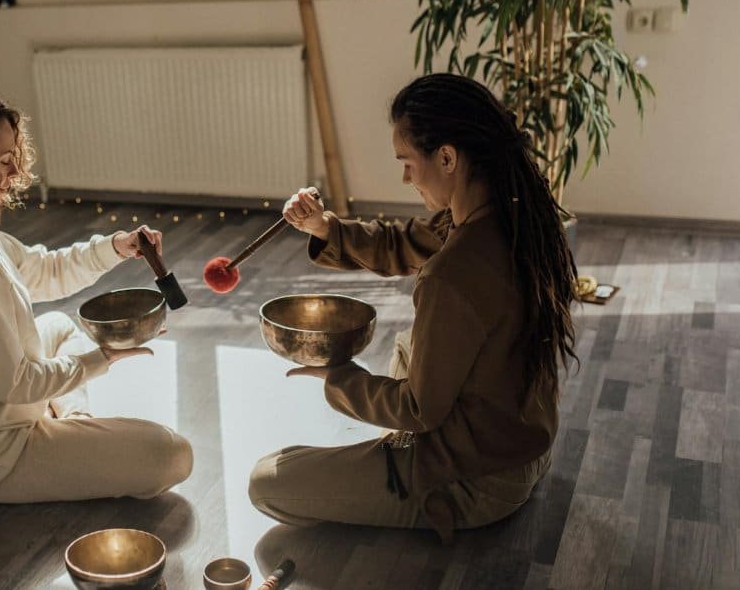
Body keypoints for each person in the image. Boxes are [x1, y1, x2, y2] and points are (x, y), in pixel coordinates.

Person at [247, 73, 578, 542]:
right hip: (525, 444)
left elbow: (419, 409)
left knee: (268, 481)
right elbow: (401, 244)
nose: (405, 177)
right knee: (409, 344)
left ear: (446, 156)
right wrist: (325, 227)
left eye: (407, 162)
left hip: (474, 481)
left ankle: (404, 471)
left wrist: (338, 376)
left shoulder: (454, 273)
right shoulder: (511, 210)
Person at [0, 92, 192, 503]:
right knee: (172, 454)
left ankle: (74, 424)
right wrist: (103, 358)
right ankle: (72, 432)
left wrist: (116, 247)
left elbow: (45, 271)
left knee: (56, 324)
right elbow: (16, 384)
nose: (16, 169)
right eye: (4, 161)